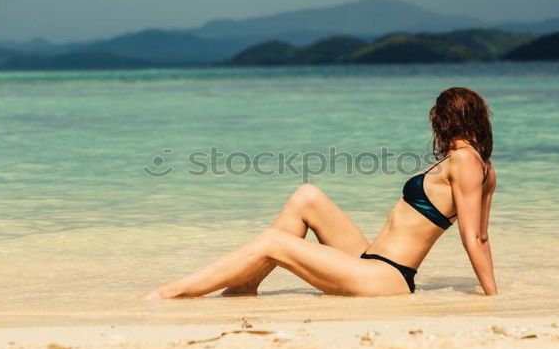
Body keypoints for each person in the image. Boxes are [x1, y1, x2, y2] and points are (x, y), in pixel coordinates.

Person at [140, 87, 497, 299]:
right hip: (371, 262)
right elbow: (480, 231)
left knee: (271, 241)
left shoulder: (466, 162)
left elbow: (475, 236)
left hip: (386, 278)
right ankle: (244, 288)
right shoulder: (475, 165)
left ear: (443, 120)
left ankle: (173, 292)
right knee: (306, 196)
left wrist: (492, 297)